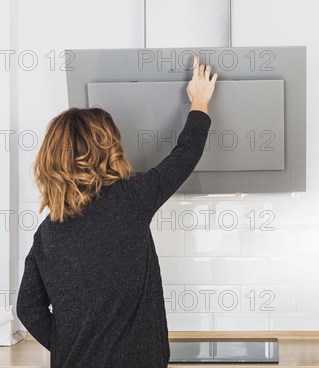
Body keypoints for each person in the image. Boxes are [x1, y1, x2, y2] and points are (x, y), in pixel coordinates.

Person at [16, 55, 218, 367]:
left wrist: (69, 347)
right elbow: (185, 155)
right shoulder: (130, 199)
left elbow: (28, 308)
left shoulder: (48, 231)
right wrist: (200, 102)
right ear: (109, 150)